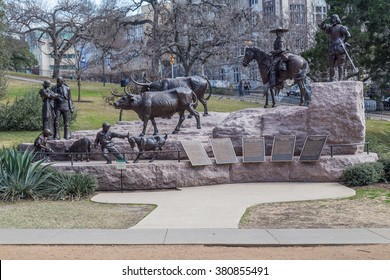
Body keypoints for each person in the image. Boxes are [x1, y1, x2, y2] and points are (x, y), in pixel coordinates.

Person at [319, 14, 351, 82]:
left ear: (337, 19)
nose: (333, 20)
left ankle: (340, 79)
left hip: (340, 48)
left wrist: (343, 42)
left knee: (340, 65)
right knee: (331, 66)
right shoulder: (330, 28)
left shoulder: (341, 27)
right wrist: (324, 20)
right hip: (332, 48)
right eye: (332, 19)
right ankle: (331, 79)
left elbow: (348, 35)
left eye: (334, 19)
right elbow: (321, 27)